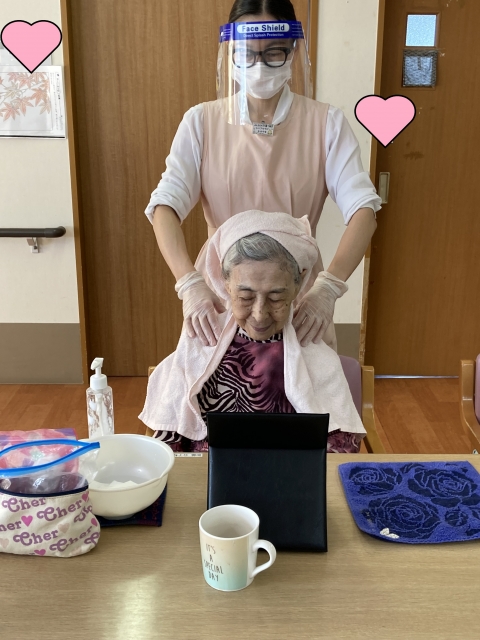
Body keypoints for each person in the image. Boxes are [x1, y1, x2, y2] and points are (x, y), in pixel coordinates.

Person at [146, 0, 381, 352]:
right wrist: (189, 284)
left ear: (292, 51)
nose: (259, 65)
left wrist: (329, 288)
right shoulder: (202, 122)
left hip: (298, 298)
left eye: (273, 53)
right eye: (246, 53)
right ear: (231, 54)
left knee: (304, 384)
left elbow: (364, 210)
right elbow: (164, 207)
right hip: (223, 297)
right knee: (216, 383)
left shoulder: (326, 123)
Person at [139, 211, 366, 453]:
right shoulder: (201, 341)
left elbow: (340, 451)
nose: (259, 314)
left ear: (298, 283)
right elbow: (168, 444)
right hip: (208, 472)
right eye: (245, 297)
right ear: (225, 282)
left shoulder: (314, 351)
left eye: (276, 297)